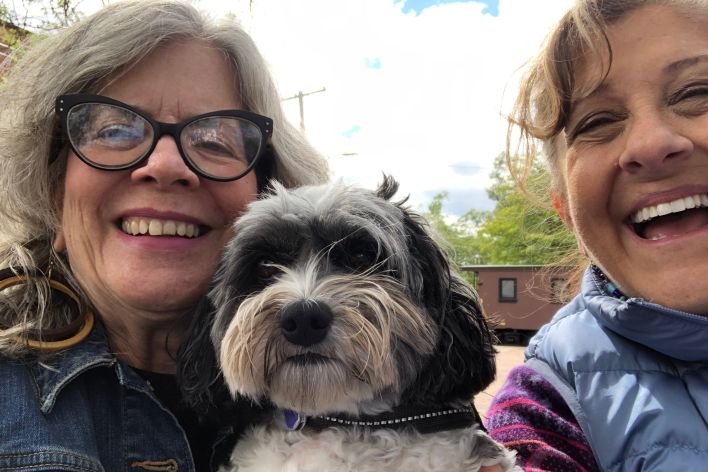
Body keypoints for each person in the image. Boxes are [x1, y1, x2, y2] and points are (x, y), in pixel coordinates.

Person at [0, 0, 329, 470]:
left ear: (269, 194)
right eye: (114, 131)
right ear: (54, 192)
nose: (166, 166)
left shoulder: (376, 393)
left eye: (215, 139)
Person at [484, 0, 708, 470]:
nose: (649, 144)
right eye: (598, 122)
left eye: (696, 92)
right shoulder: (546, 408)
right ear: (566, 211)